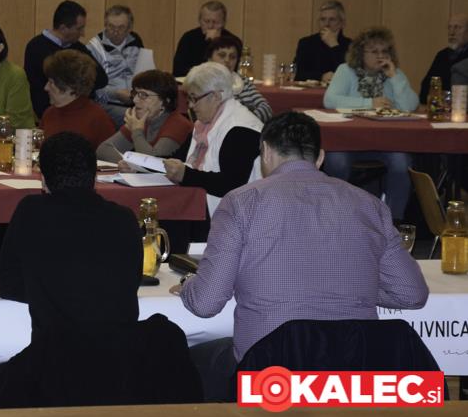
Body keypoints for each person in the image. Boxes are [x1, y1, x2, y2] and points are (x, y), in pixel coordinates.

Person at [175, 112, 429, 401]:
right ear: (320, 157)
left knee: (190, 362)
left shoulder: (241, 202)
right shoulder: (369, 204)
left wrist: (188, 284)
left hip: (269, 376)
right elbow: (411, 294)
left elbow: (206, 303)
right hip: (351, 376)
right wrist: (350, 288)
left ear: (265, 151)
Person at [0, 131, 142, 340]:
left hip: (54, 350)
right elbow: (130, 283)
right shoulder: (124, 218)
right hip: (119, 348)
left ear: (43, 180)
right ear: (95, 177)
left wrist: (49, 292)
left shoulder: (32, 211)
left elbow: (7, 285)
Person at [322, 27, 418, 220]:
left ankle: (392, 220)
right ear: (361, 53)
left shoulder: (394, 74)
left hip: (385, 142)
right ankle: (335, 216)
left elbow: (410, 106)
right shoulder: (345, 71)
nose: (381, 56)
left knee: (402, 163)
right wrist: (369, 103)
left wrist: (395, 77)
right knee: (336, 162)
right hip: (347, 141)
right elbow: (330, 100)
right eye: (374, 51)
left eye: (385, 51)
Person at [163, 62, 262, 218]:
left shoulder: (242, 129)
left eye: (194, 98)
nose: (190, 106)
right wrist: (138, 165)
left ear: (215, 96)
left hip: (237, 215)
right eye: (189, 99)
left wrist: (186, 175)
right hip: (205, 206)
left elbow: (231, 184)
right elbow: (178, 158)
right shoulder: (204, 124)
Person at [23, 0, 107, 119]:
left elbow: (102, 79)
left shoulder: (78, 47)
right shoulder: (36, 47)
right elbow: (38, 91)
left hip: (85, 109)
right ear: (63, 28)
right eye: (79, 29)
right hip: (54, 112)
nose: (83, 33)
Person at [96, 70, 192, 163]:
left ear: (165, 101)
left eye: (143, 95)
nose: (135, 100)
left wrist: (137, 131)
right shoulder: (143, 119)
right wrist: (129, 163)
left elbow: (154, 163)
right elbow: (103, 150)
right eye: (135, 93)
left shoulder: (178, 124)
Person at [40, 50, 114, 150]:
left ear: (68, 85)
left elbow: (110, 158)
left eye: (51, 82)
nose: (46, 88)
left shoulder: (98, 119)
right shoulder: (49, 114)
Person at [85, 5, 145, 126]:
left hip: (137, 99)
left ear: (130, 28)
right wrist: (116, 93)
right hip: (109, 102)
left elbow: (144, 70)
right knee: (137, 118)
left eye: (121, 27)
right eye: (111, 27)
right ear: (105, 25)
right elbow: (91, 89)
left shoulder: (135, 41)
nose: (115, 32)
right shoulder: (93, 48)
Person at [205, 34, 272, 123]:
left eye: (232, 57)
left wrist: (245, 121)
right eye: (222, 55)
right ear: (210, 59)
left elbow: (267, 109)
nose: (227, 60)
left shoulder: (244, 82)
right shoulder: (203, 83)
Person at [172, 1, 239, 78]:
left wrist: (216, 41)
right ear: (199, 21)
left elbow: (236, 71)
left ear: (224, 23)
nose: (210, 26)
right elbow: (178, 70)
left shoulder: (233, 41)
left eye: (216, 22)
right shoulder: (188, 38)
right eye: (206, 21)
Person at [293, 0, 351, 83]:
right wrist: (321, 76)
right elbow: (297, 73)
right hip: (312, 89)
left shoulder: (351, 45)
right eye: (323, 19)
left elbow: (349, 74)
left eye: (332, 19)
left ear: (342, 23)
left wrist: (334, 45)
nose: (326, 24)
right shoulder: (306, 43)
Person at [418, 13, 468, 103]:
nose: (452, 33)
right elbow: (426, 87)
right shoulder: (442, 55)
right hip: (441, 108)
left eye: (457, 27)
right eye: (449, 27)